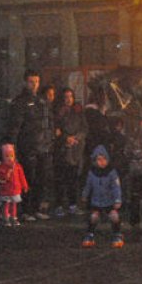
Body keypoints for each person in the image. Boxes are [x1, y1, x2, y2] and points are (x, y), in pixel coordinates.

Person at [7, 69, 53, 221]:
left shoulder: (42, 101)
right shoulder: (20, 102)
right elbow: (15, 126)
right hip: (28, 147)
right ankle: (27, 210)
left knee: (42, 179)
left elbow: (48, 123)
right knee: (28, 180)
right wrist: (13, 148)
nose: (34, 85)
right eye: (31, 82)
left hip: (43, 147)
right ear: (25, 82)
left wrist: (49, 140)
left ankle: (37, 207)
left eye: (37, 82)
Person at [80, 145, 124, 248]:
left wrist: (118, 199)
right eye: (99, 159)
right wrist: (84, 196)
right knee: (94, 216)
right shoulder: (92, 173)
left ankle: (117, 234)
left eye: (104, 159)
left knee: (114, 216)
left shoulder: (112, 172)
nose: (102, 162)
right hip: (96, 201)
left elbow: (116, 187)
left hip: (109, 200)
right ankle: (90, 234)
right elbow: (88, 185)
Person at [53, 87, 87, 218]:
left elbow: (84, 128)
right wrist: (65, 138)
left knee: (73, 179)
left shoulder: (78, 112)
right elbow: (56, 130)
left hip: (75, 150)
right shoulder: (58, 113)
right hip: (62, 150)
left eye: (70, 97)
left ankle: (73, 204)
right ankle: (59, 205)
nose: (68, 100)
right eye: (66, 97)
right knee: (61, 179)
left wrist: (76, 138)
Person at [0, 142, 28, 227]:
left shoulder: (17, 166)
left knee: (14, 204)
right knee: (6, 204)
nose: (10, 158)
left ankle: (13, 217)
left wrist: (24, 185)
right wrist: (7, 174)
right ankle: (6, 218)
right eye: (7, 156)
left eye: (11, 156)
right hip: (6, 190)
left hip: (15, 189)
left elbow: (22, 176)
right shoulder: (1, 166)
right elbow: (0, 178)